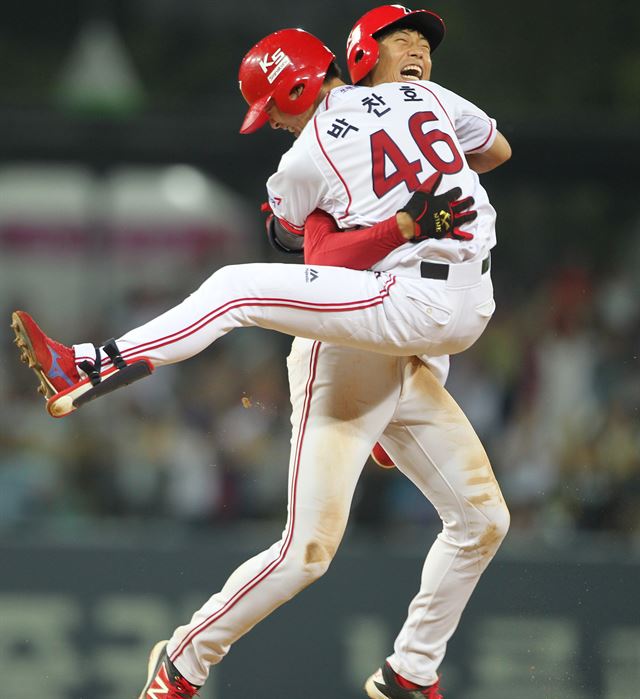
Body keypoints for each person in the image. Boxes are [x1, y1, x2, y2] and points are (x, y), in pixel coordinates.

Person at [11, 9, 510, 699]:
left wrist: (389, 213)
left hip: (408, 318)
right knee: (323, 548)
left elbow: (298, 240)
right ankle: (185, 662)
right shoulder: (427, 97)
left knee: (238, 286)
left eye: (273, 107)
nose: (272, 120)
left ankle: (410, 667)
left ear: (302, 91)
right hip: (415, 319)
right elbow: (495, 152)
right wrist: (404, 212)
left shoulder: (312, 149)